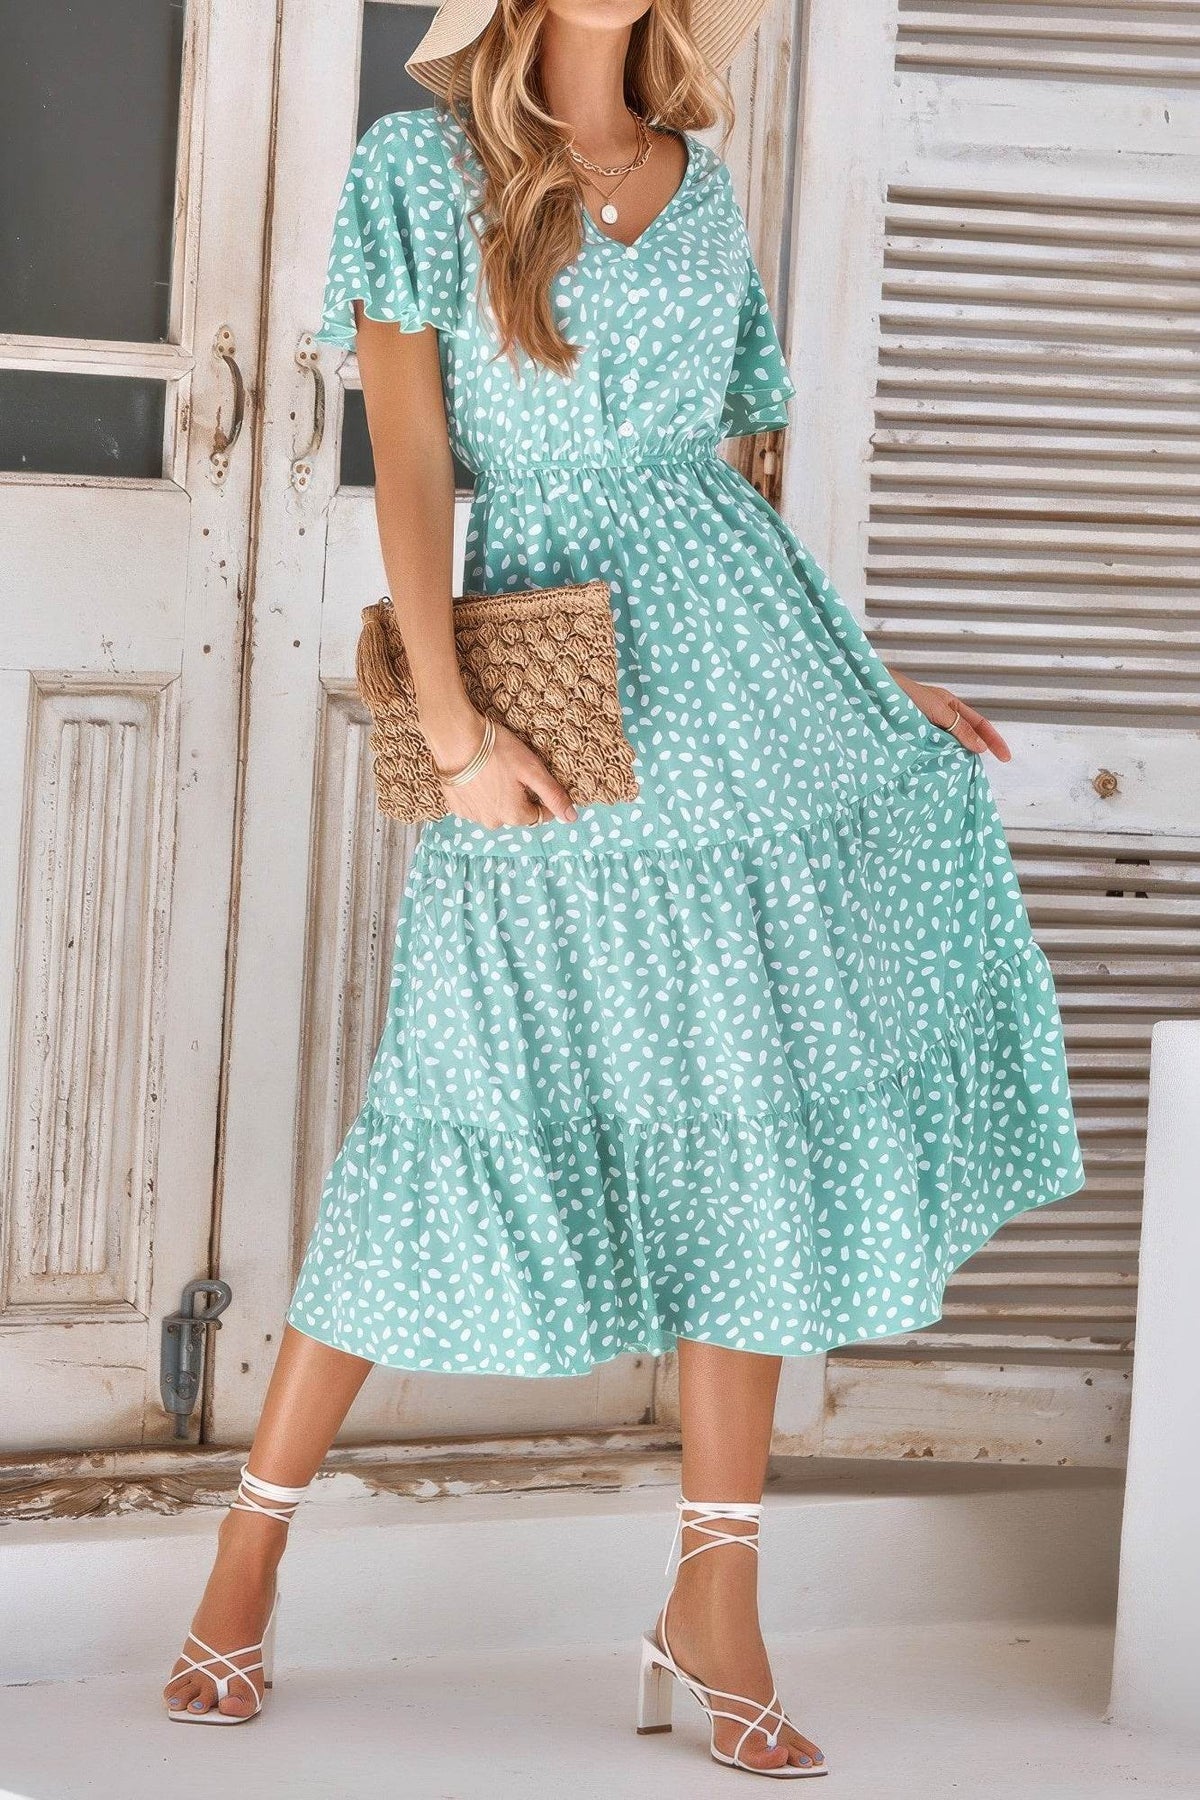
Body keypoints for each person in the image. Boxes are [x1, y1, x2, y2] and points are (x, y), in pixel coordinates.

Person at [163, 0, 1084, 1777]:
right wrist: (450, 726)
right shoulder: (418, 168)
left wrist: (865, 678)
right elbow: (411, 459)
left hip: (747, 695)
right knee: (452, 1103)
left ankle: (715, 1598)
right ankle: (246, 1556)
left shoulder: (700, 185)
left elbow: (730, 492)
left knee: (749, 1117)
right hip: (552, 702)